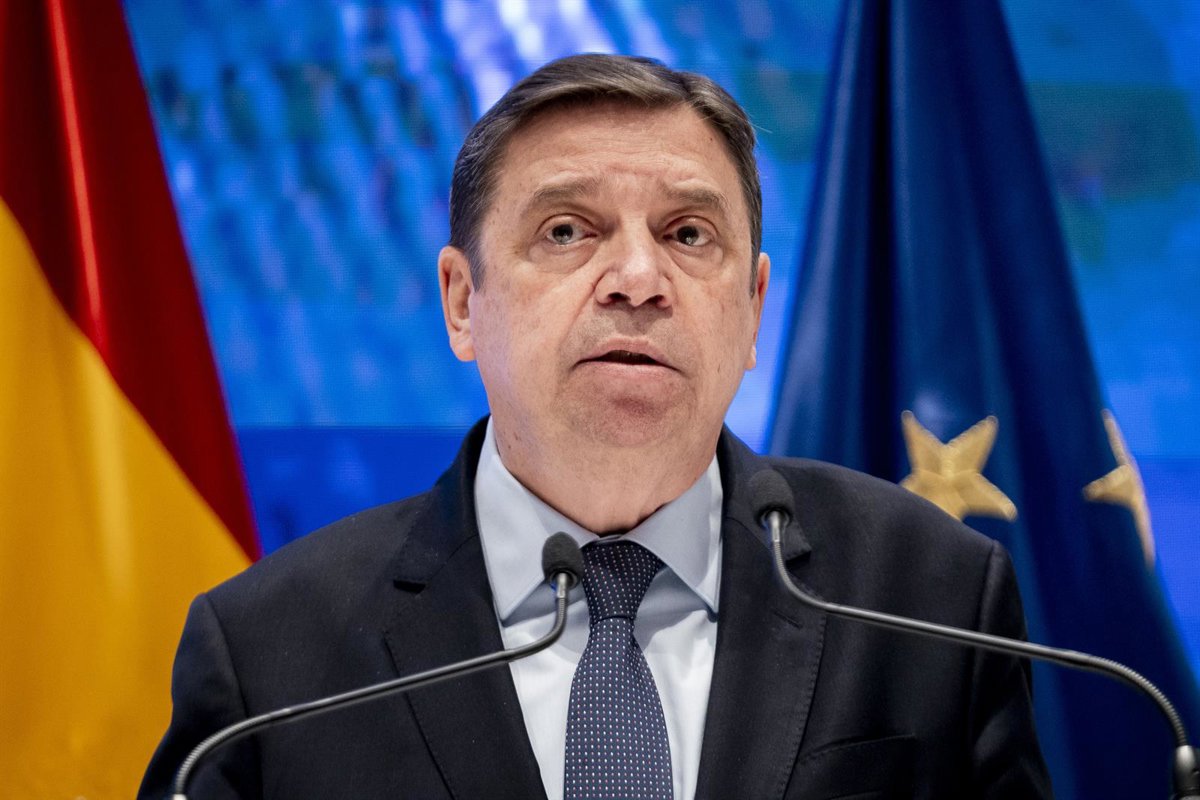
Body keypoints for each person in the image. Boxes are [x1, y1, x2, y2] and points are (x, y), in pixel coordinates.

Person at [140, 54, 1052, 799]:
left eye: (688, 234)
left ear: (752, 309)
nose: (638, 280)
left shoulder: (930, 601)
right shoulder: (272, 656)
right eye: (567, 231)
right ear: (461, 302)